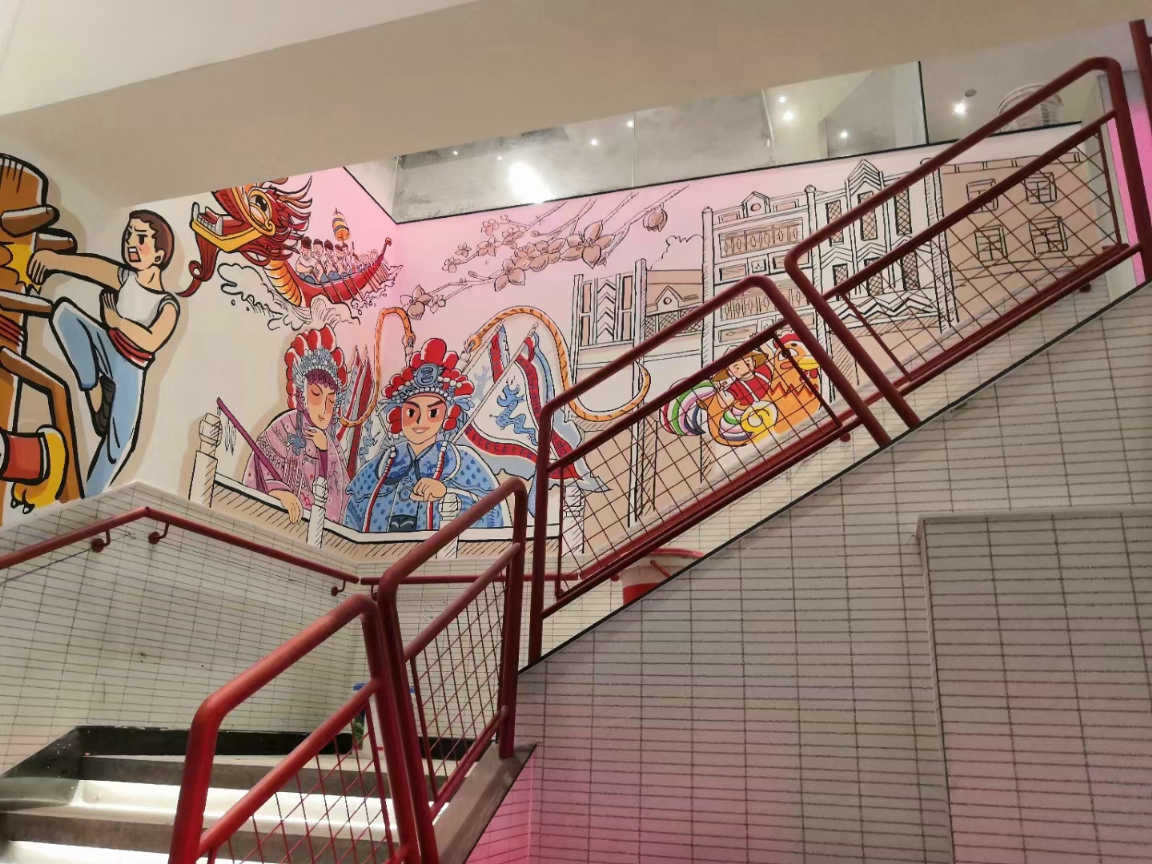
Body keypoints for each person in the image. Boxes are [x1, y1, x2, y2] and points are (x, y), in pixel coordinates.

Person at [27, 210, 179, 494]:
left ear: (159, 255)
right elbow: (92, 266)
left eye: (141, 238)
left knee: (120, 445)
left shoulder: (167, 304)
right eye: (129, 235)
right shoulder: (125, 278)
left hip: (132, 369)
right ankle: (96, 391)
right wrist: (55, 261)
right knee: (64, 314)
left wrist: (118, 322)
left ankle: (89, 498)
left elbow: (151, 341)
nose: (131, 242)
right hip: (106, 346)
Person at [344, 338, 504, 533]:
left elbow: (493, 514)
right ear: (400, 413)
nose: (420, 421)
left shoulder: (461, 462)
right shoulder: (382, 464)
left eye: (433, 412)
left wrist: (447, 494)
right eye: (412, 412)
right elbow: (352, 511)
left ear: (446, 416)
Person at [242, 326, 350, 523]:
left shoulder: (332, 446)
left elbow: (340, 495)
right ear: (302, 394)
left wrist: (325, 451)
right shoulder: (285, 426)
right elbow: (260, 467)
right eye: (316, 395)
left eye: (331, 401)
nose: (324, 408)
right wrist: (280, 493)